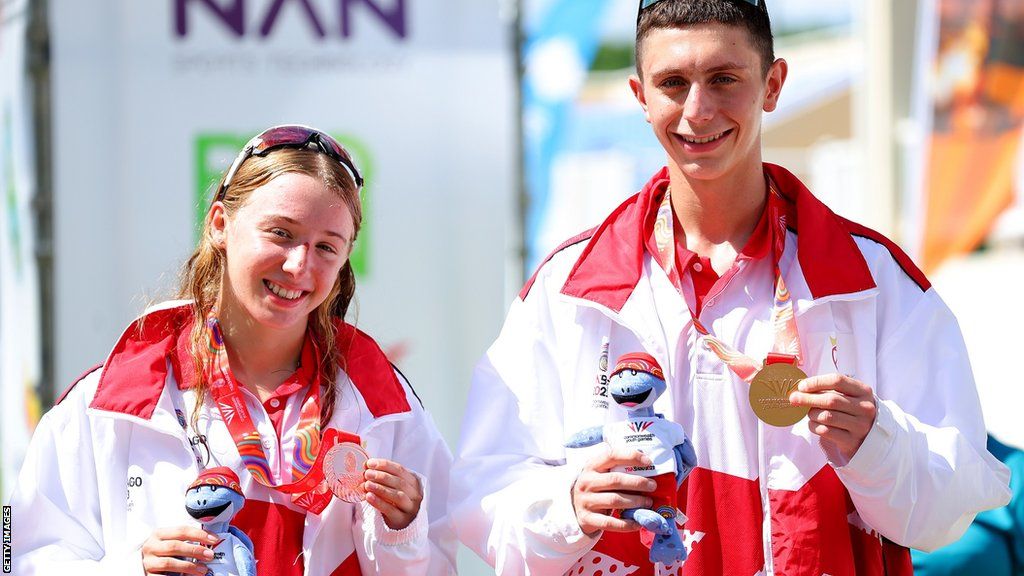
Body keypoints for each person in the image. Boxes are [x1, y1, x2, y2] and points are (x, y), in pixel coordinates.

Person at [448, 1, 1012, 575]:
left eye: (723, 79)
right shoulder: (567, 289)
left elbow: (950, 510)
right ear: (640, 96)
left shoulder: (873, 279)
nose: (698, 109)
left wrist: (879, 443)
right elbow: (482, 496)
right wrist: (567, 506)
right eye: (672, 82)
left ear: (772, 84)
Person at [10, 124, 457, 575]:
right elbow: (20, 559)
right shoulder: (111, 400)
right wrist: (130, 569)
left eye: (326, 246)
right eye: (281, 233)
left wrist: (403, 531)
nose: (299, 264)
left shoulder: (383, 406)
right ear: (220, 224)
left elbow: (441, 567)